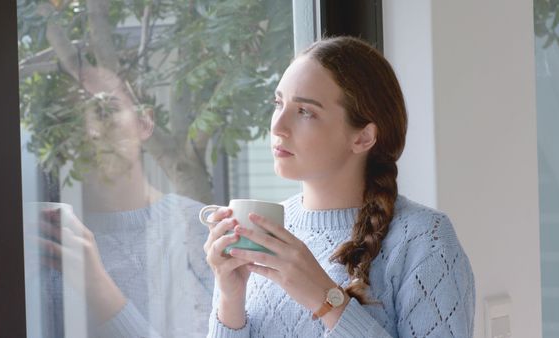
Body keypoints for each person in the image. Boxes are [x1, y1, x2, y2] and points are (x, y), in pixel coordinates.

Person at [203, 36, 475, 337]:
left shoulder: (426, 239)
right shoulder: (266, 228)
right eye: (278, 103)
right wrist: (230, 298)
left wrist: (326, 299)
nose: (278, 127)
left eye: (305, 111)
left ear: (362, 138)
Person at [29, 67, 213, 338]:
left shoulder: (201, 230)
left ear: (144, 122)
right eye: (73, 120)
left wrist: (96, 285)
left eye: (106, 110)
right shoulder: (47, 237)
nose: (92, 131)